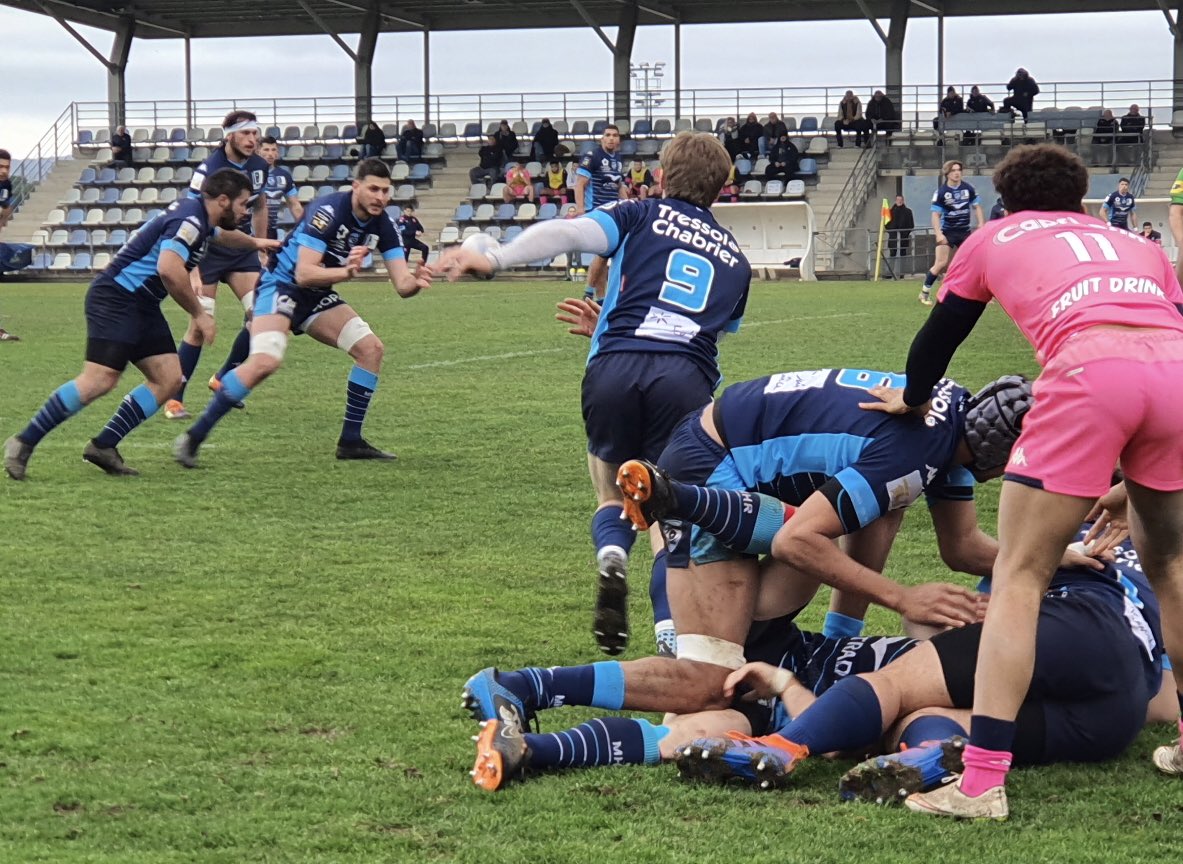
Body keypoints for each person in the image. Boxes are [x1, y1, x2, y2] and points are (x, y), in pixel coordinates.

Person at [863, 143, 1183, 820]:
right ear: (1081, 196)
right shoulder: (1135, 243)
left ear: (1005, 199)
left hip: (1089, 372)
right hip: (1174, 375)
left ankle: (979, 784)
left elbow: (938, 336)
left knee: (1018, 577)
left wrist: (916, 398)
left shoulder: (992, 234)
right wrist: (1135, 476)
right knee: (1172, 569)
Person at [436, 132, 749, 658]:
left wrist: (499, 258)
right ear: (719, 191)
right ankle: (670, 631)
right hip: (685, 377)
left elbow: (568, 231)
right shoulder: (737, 261)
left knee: (611, 494)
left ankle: (610, 551)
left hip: (613, 367)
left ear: (661, 177)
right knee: (667, 513)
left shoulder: (638, 213)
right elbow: (693, 328)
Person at [673, 524, 1163, 802]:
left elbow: (974, 622)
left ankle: (780, 747)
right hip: (1118, 712)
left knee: (896, 687)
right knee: (926, 725)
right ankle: (927, 753)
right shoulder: (1165, 560)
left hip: (1078, 624)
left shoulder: (1061, 521)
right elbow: (1160, 705)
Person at [2, 170, 271, 481]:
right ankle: (23, 442)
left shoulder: (201, 218)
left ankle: (104, 446)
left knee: (169, 378)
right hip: (116, 297)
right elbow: (169, 269)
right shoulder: (191, 221)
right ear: (223, 200)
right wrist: (199, 314)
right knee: (99, 379)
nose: (245, 211)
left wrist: (259, 242)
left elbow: (224, 237)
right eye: (242, 204)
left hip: (140, 303)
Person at [172, 159, 432, 468]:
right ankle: (194, 436)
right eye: (373, 189)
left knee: (371, 349)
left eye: (386, 191)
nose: (380, 197)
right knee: (265, 362)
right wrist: (346, 272)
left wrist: (417, 282)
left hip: (315, 296)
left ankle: (350, 441)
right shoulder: (329, 211)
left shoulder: (384, 224)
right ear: (356, 186)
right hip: (280, 285)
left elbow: (401, 285)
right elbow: (304, 273)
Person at [166, 110, 271, 422]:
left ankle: (223, 378)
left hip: (239, 249)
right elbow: (192, 214)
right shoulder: (208, 170)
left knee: (261, 316)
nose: (253, 140)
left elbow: (261, 205)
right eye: (246, 134)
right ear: (230, 136)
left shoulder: (259, 166)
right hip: (207, 250)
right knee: (200, 324)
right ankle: (175, 399)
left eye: (256, 133)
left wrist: (261, 246)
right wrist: (193, 269)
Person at [919, 160, 984, 307]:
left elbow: (977, 207)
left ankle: (979, 294)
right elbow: (935, 215)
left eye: (959, 170)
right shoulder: (941, 192)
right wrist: (938, 234)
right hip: (947, 232)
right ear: (947, 173)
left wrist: (981, 224)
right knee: (941, 263)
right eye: (953, 170)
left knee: (974, 262)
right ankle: (924, 293)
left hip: (964, 232)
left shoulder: (968, 188)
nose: (957, 173)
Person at [574, 124, 625, 302]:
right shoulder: (593, 156)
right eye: (608, 135)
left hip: (613, 212)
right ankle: (589, 292)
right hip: (596, 210)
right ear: (602, 139)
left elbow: (619, 185)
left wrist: (627, 205)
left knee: (605, 253)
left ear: (619, 139)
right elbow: (580, 183)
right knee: (604, 252)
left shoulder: (618, 159)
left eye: (615, 135)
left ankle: (600, 297)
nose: (611, 138)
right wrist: (580, 209)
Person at [0, 148, 19, 341]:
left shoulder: (6, 184)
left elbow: (6, 208)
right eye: (0, 166)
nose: (4, 171)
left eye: (7, 167)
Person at [886, 194, 914, 260]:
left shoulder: (908, 212)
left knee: (903, 255)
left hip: (904, 238)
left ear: (903, 201)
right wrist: (892, 231)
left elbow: (911, 225)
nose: (899, 201)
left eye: (901, 200)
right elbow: (886, 225)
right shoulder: (890, 212)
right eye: (898, 200)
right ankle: (891, 270)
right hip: (893, 238)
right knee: (892, 254)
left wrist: (905, 233)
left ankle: (903, 269)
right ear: (895, 201)